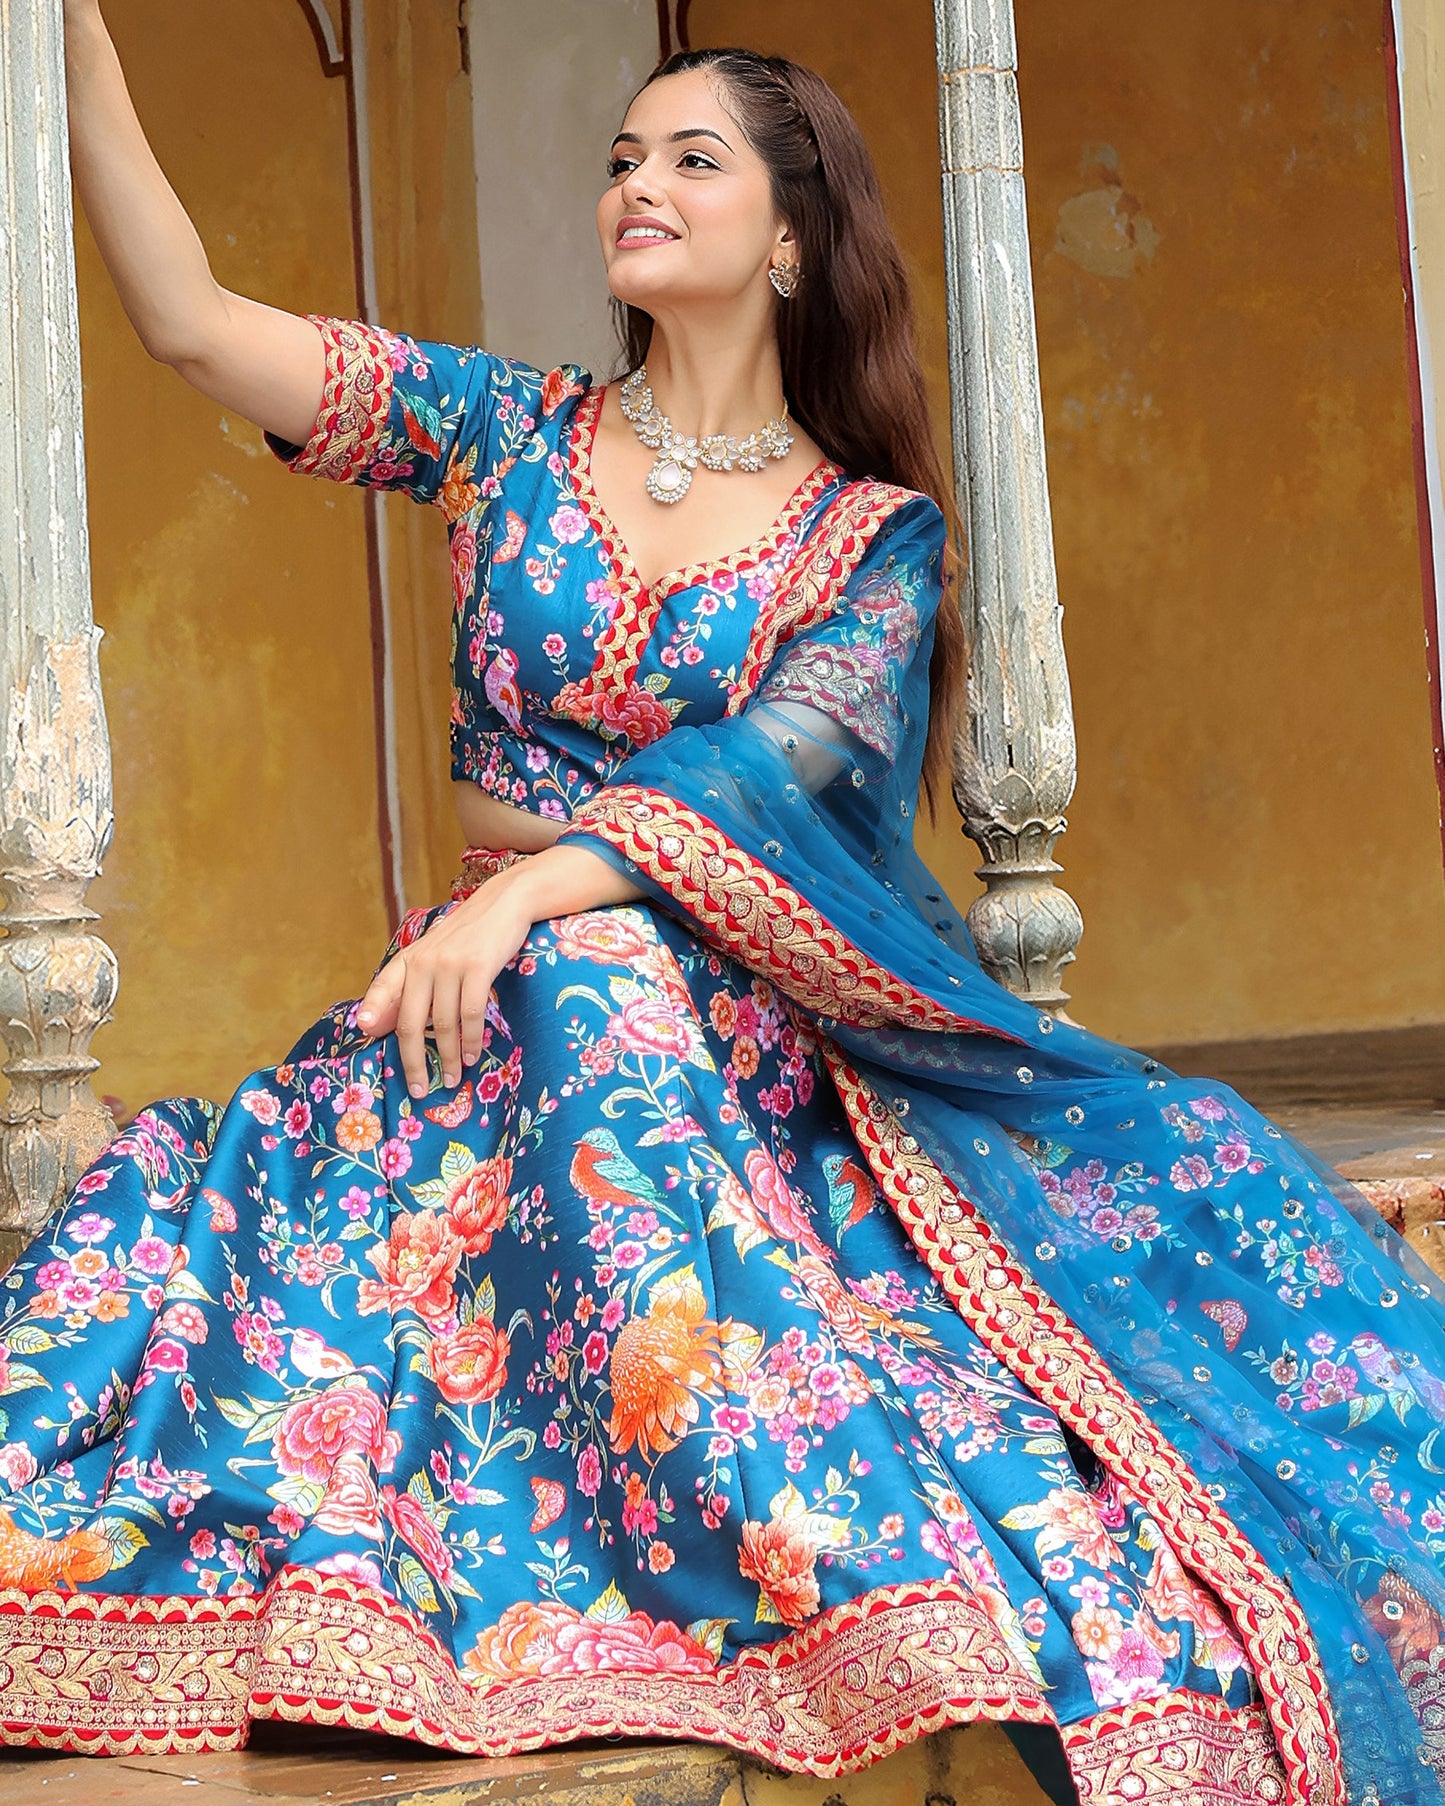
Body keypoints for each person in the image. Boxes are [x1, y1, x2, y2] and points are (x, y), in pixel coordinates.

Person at [1, 13, 1440, 1804]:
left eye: (693, 160)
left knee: (600, 968)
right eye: (620, 157)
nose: (637, 186)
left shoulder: (867, 537)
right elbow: (193, 324)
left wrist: (532, 891)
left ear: (788, 236)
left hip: (724, 1027)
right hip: (471, 1018)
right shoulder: (502, 427)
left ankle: (764, 1537)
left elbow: (766, 774)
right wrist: (71, 47)